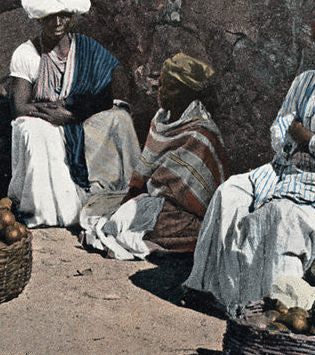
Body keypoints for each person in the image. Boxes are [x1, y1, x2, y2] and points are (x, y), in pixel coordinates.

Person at [183, 0, 315, 312]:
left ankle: (271, 305)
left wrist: (301, 134)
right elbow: (278, 131)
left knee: (281, 216)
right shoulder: (303, 81)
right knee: (229, 193)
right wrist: (299, 140)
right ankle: (208, 286)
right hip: (283, 167)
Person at [7, 0, 141, 228]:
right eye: (50, 17)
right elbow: (20, 106)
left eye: (64, 16)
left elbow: (110, 86)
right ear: (39, 19)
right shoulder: (27, 54)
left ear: (72, 17)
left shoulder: (86, 47)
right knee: (34, 130)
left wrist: (73, 113)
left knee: (119, 119)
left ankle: (122, 193)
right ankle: (56, 210)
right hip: (46, 120)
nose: (57, 23)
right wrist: (49, 113)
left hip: (78, 114)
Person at [79, 53, 229, 258]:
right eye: (161, 85)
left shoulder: (201, 135)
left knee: (144, 226)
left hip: (186, 213)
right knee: (123, 217)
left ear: (189, 94)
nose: (162, 92)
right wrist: (137, 197)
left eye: (171, 88)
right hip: (155, 201)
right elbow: (144, 171)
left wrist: (157, 197)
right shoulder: (159, 121)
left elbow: (202, 196)